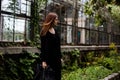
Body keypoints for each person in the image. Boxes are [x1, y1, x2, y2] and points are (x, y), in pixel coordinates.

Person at [40, 12, 62, 80]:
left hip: (57, 60)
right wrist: (43, 61)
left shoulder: (56, 31)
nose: (57, 21)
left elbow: (58, 46)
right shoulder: (44, 32)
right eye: (56, 19)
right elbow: (43, 47)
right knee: (49, 77)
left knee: (57, 77)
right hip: (49, 60)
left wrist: (60, 57)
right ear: (51, 20)